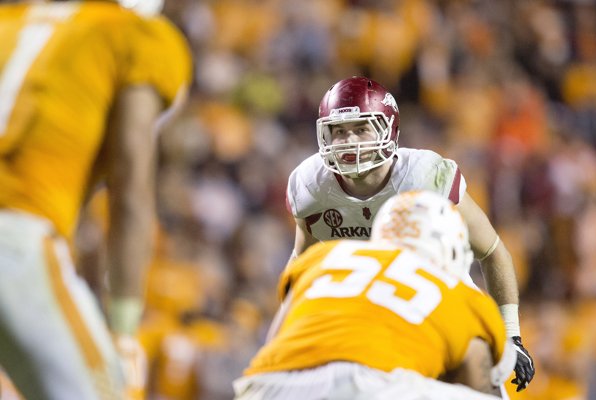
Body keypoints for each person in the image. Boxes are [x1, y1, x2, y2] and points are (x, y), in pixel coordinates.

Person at [285, 76, 534, 392]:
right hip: (376, 319)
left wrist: (510, 333)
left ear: (388, 129)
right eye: (338, 131)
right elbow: (301, 266)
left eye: (360, 129)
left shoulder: (424, 176)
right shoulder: (311, 188)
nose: (347, 141)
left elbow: (492, 250)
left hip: (447, 306)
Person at [0, 0, 192, 398]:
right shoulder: (133, 35)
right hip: (15, 229)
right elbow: (130, 182)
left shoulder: (11, 21)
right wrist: (123, 327)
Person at [234, 190, 516, 400]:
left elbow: (275, 338)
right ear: (453, 249)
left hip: (267, 386)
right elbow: (479, 381)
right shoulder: (458, 293)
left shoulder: (323, 256)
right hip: (371, 387)